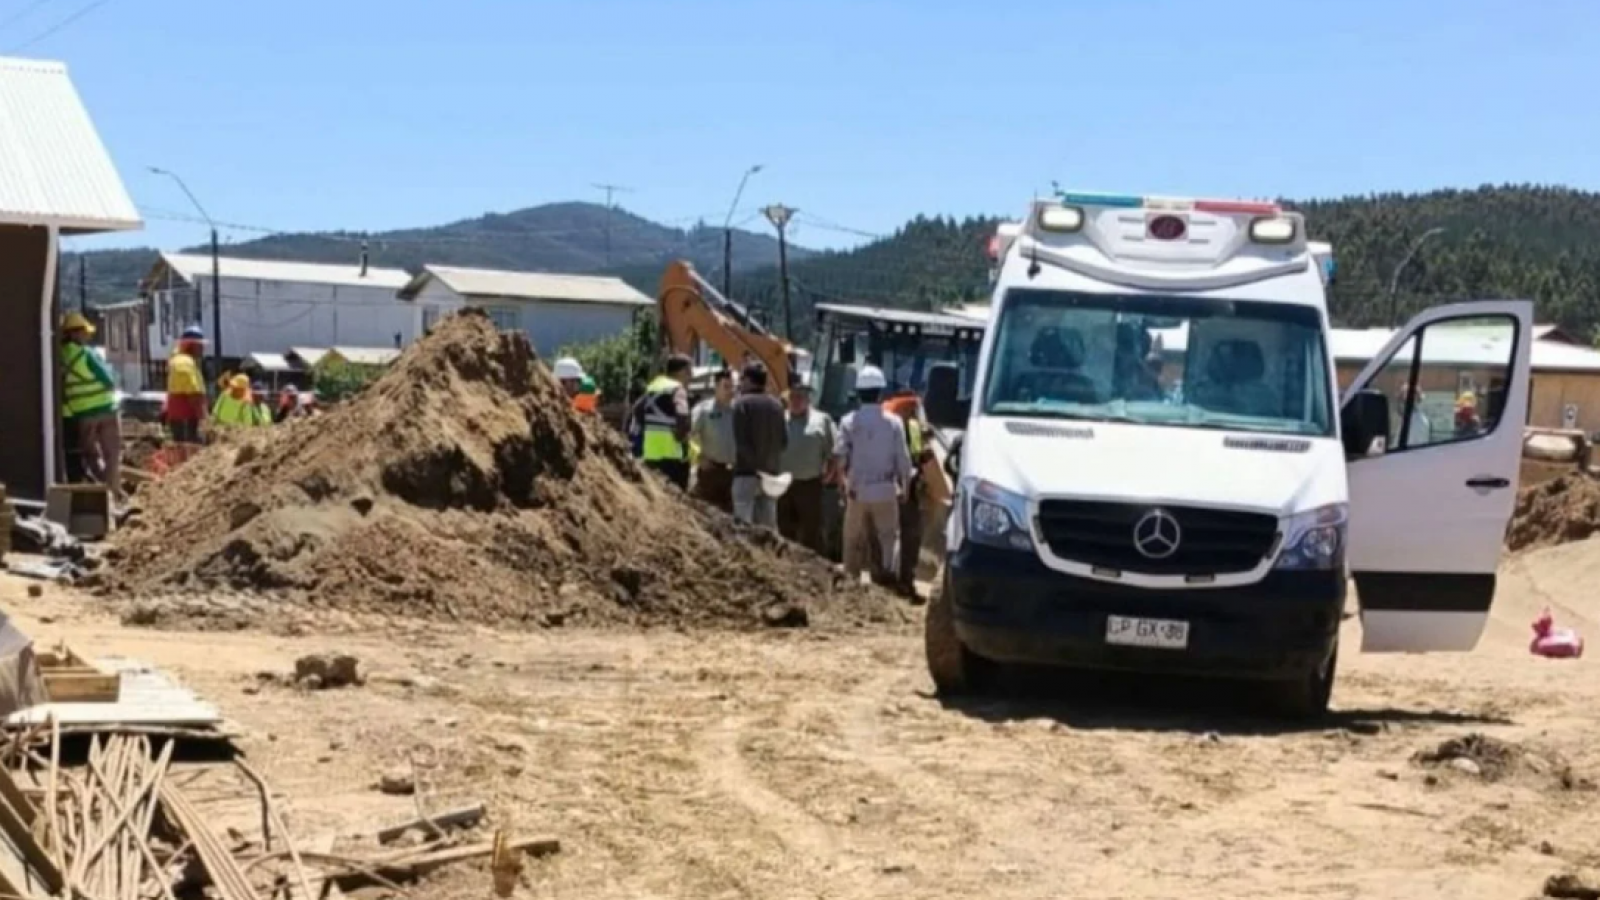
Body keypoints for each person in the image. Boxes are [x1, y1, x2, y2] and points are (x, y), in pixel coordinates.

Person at [834, 365, 912, 585]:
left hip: (857, 490)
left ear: (858, 392)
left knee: (852, 539)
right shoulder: (894, 423)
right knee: (889, 537)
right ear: (880, 393)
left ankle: (851, 580)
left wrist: (843, 485)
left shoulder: (848, 421)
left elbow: (840, 458)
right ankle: (887, 579)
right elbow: (903, 460)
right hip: (886, 490)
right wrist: (905, 488)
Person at [58, 312, 123, 499]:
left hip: (81, 414)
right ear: (75, 334)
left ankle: (102, 486)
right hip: (105, 410)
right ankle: (113, 491)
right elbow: (108, 380)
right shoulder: (87, 354)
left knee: (90, 454)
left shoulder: (60, 356)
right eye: (85, 332)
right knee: (112, 454)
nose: (87, 336)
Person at [883, 391, 934, 597]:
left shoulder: (887, 425)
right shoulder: (901, 427)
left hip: (889, 489)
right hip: (903, 489)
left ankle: (898, 581)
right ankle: (902, 582)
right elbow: (920, 457)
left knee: (894, 536)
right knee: (908, 535)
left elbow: (919, 455)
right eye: (913, 411)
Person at [777, 378, 836, 552]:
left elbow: (833, 452)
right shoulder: (780, 419)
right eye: (793, 396)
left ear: (808, 398)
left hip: (810, 485)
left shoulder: (822, 420)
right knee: (785, 530)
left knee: (811, 531)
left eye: (800, 397)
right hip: (783, 485)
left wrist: (830, 474)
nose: (796, 401)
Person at [730, 362, 787, 528]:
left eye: (742, 379)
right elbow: (784, 441)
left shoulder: (741, 404)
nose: (740, 383)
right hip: (770, 476)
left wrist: (753, 466)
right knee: (768, 528)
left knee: (743, 527)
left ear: (748, 380)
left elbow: (741, 442)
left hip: (746, 474)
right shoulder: (777, 405)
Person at [637, 354, 694, 490]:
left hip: (651, 456)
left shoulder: (653, 387)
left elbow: (637, 410)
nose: (691, 376)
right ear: (682, 371)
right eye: (689, 372)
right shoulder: (677, 388)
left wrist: (648, 429)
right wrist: (681, 435)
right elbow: (682, 413)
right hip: (672, 458)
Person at [689, 368, 737, 513]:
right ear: (716, 387)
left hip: (733, 474)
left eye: (733, 387)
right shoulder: (704, 410)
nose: (730, 391)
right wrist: (698, 457)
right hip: (711, 472)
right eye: (726, 387)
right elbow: (687, 436)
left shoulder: (739, 410)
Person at [164, 325, 208, 448]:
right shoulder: (184, 363)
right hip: (185, 420)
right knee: (188, 450)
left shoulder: (182, 361)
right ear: (191, 345)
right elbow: (194, 395)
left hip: (181, 419)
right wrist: (205, 420)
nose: (202, 348)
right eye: (200, 345)